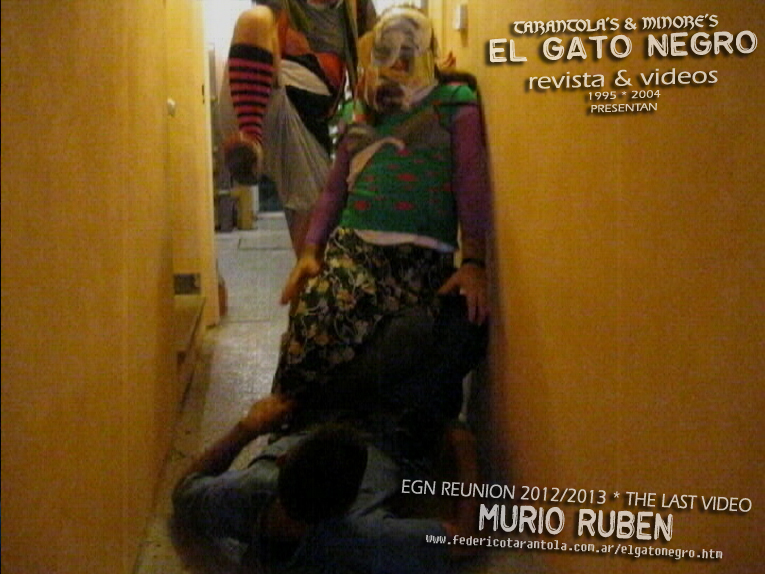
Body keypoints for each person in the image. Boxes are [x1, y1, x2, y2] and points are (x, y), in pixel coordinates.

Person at [272, 6, 492, 400]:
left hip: (419, 260)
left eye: (407, 52)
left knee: (411, 345)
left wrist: (474, 261)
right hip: (353, 252)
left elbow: (470, 181)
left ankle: (333, 414)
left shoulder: (454, 102)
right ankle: (287, 414)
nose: (396, 63)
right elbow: (333, 190)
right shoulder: (360, 111)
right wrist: (310, 251)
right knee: (313, 321)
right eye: (386, 51)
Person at [172, 393, 482, 573]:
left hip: (316, 411)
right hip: (394, 422)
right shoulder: (361, 537)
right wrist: (465, 447)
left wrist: (247, 428)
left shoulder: (245, 495)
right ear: (351, 501)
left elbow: (184, 489)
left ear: (282, 460)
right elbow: (466, 541)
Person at [224, 0, 376, 255]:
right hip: (266, 99)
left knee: (315, 243)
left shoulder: (356, 7)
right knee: (255, 19)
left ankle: (304, 280)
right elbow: (259, 33)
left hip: (310, 121)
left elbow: (375, 51)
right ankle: (250, 139)